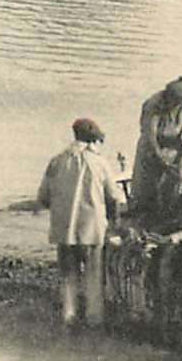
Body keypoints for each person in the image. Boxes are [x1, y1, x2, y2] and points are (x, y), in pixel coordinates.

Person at [37, 118, 125, 328]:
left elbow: (43, 197)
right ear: (93, 140)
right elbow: (115, 197)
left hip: (64, 229)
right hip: (92, 229)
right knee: (93, 277)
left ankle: (68, 318)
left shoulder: (57, 161)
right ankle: (94, 321)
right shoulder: (100, 163)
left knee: (68, 276)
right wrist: (115, 220)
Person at [131, 76, 182, 220]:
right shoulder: (154, 104)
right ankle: (144, 215)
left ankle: (166, 214)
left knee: (171, 185)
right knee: (148, 186)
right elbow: (150, 134)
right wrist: (159, 156)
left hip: (175, 149)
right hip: (152, 148)